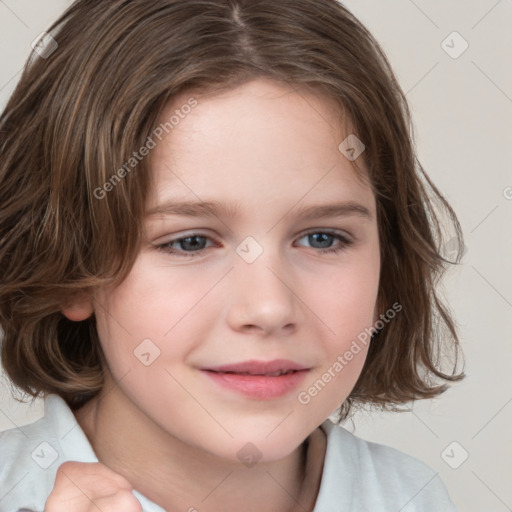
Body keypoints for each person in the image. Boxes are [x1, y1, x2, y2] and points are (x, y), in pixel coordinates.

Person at [0, 1, 465, 511]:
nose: (268, 309)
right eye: (190, 242)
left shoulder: (416, 497)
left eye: (322, 238)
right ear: (70, 271)